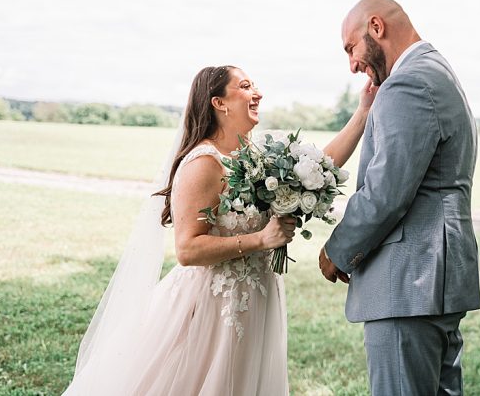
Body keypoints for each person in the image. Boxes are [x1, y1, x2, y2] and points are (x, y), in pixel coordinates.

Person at [64, 65, 375, 395]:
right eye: (245, 86)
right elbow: (187, 249)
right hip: (215, 307)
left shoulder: (254, 156)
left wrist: (363, 111)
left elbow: (318, 169)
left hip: (257, 298)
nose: (258, 93)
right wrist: (261, 239)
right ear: (219, 103)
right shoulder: (205, 163)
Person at [319, 0, 480, 395]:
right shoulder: (438, 71)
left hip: (408, 285)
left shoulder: (408, 82)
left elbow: (385, 194)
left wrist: (337, 251)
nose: (353, 64)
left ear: (377, 27)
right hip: (436, 284)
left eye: (351, 48)